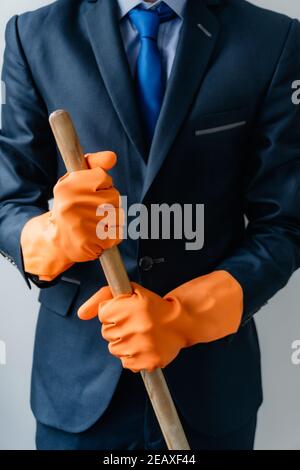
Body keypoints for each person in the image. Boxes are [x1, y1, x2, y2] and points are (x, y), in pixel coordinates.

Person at [0, 0, 300, 450]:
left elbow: (285, 225)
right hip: (77, 386)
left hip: (211, 388)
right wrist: (54, 237)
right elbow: (9, 198)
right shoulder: (33, 35)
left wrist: (182, 320)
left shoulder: (273, 39)